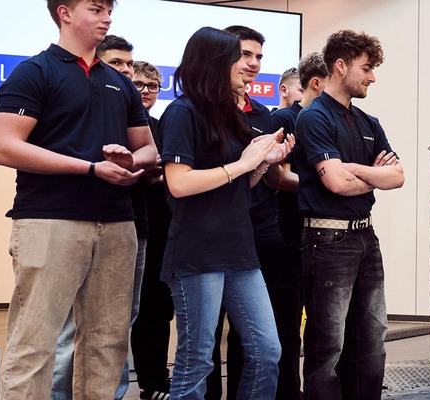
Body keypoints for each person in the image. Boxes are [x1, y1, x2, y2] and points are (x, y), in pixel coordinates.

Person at [0, 0, 157, 397]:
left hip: (118, 225)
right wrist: (89, 167)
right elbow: (3, 146)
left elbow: (149, 149)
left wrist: (130, 159)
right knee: (34, 344)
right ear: (65, 12)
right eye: (97, 9)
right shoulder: (35, 71)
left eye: (109, 10)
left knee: (108, 344)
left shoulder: (119, 82)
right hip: (51, 222)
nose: (108, 18)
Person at [159, 26, 292, 399]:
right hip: (197, 252)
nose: (246, 65)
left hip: (238, 249)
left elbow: (237, 186)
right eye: (238, 57)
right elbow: (179, 183)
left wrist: (263, 165)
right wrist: (243, 163)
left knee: (268, 351)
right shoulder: (182, 112)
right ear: (216, 63)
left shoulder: (230, 113)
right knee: (197, 360)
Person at [295, 29, 405, 399]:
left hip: (365, 238)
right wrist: (373, 175)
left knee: (373, 339)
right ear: (340, 66)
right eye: (367, 68)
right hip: (327, 241)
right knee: (328, 346)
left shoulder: (369, 123)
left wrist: (354, 170)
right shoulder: (313, 118)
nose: (372, 77)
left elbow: (398, 175)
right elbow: (336, 184)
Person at [46, 32, 155, 400]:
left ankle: (112, 394)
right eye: (117, 64)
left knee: (117, 326)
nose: (126, 72)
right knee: (69, 330)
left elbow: (149, 156)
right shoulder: (79, 104)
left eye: (130, 64)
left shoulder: (134, 112)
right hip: (74, 221)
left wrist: (142, 164)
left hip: (131, 226)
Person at [264, 51, 330, 400]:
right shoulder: (286, 119)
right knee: (287, 325)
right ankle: (288, 393)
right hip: (290, 233)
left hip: (322, 235)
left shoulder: (335, 120)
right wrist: (328, 181)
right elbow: (278, 176)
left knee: (323, 325)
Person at [130, 59, 178, 400]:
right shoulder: (121, 123)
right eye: (139, 85)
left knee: (158, 309)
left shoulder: (164, 125)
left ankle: (155, 381)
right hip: (129, 227)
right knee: (126, 312)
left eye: (152, 86)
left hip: (162, 229)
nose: (146, 91)